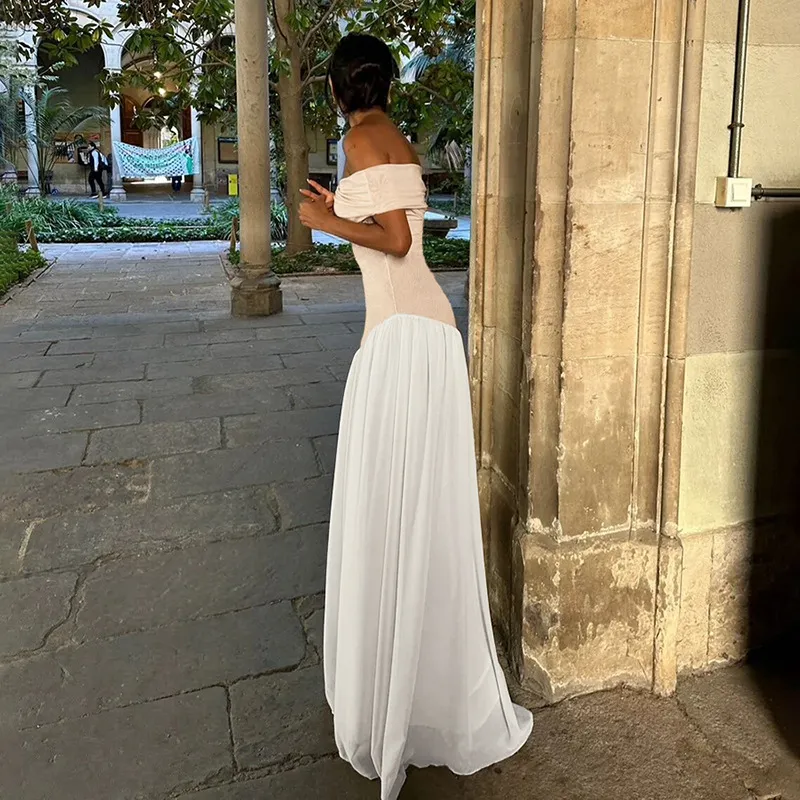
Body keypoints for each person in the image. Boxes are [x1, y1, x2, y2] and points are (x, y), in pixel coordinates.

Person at [299, 33, 533, 800]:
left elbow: (397, 241)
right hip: (419, 333)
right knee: (414, 505)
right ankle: (418, 686)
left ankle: (399, 695)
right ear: (385, 84)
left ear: (337, 88)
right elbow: (396, 227)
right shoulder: (388, 135)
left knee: (391, 504)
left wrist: (328, 221)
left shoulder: (360, 137)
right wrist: (338, 209)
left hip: (402, 337)